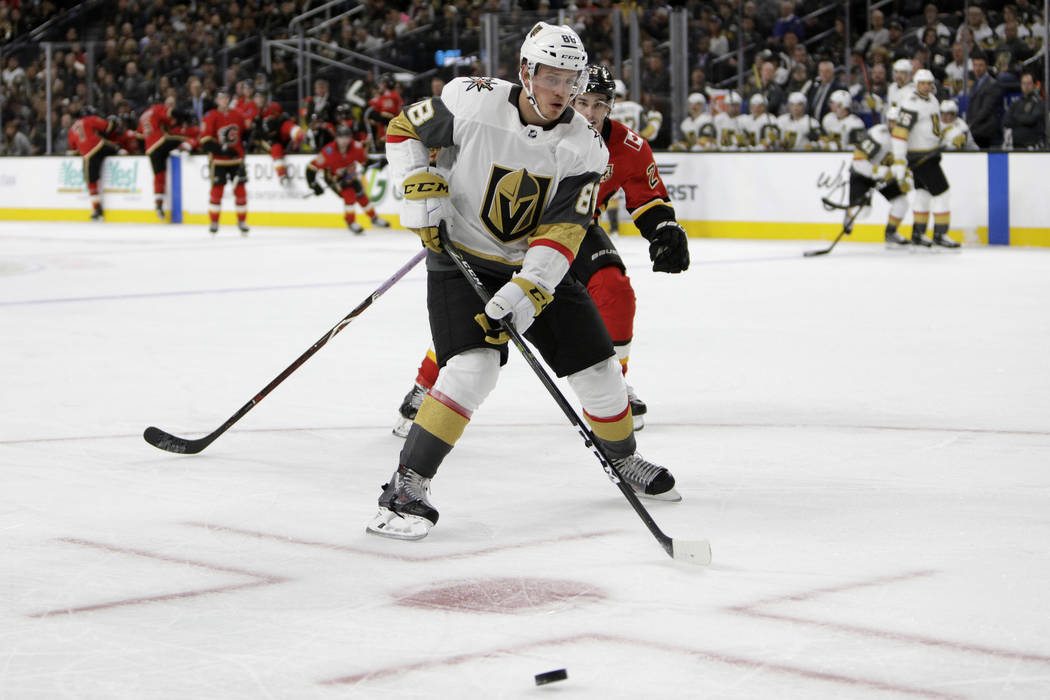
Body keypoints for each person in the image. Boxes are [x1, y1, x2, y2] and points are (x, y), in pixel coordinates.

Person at [368, 24, 681, 541]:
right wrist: (415, 187)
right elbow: (404, 129)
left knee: (601, 371)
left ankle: (623, 460)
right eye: (552, 76)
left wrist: (528, 290)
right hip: (461, 256)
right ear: (525, 72)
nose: (563, 91)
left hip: (530, 263)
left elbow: (563, 232)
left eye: (572, 79)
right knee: (474, 368)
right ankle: (405, 487)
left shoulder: (587, 148)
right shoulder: (470, 100)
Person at [392, 64, 690, 438]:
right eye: (583, 102)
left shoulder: (626, 146)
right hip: (505, 228)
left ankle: (615, 387)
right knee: (478, 311)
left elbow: (649, 199)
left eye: (601, 104)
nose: (591, 113)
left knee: (615, 290)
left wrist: (663, 229)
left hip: (571, 230)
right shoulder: (532, 125)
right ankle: (426, 385)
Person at [892, 69, 960, 249]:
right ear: (916, 85)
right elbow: (900, 132)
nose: (926, 87)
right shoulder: (911, 103)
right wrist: (899, 159)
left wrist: (950, 136)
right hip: (921, 157)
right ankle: (940, 234)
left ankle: (919, 233)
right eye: (922, 83)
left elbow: (932, 129)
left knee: (923, 194)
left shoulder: (932, 100)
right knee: (943, 192)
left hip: (931, 153)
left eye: (928, 83)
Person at [305, 124, 390, 233]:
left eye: (346, 137)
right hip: (334, 178)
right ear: (336, 138)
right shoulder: (328, 151)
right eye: (341, 137)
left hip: (350, 176)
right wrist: (314, 184)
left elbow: (366, 162)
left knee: (361, 194)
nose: (344, 141)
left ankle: (374, 218)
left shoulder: (356, 147)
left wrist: (379, 162)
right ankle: (350, 221)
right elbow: (311, 168)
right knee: (349, 195)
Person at [850, 105, 912, 249]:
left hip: (884, 176)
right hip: (863, 174)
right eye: (891, 121)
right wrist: (879, 171)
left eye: (897, 122)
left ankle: (891, 234)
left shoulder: (908, 139)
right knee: (862, 213)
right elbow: (858, 161)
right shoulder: (878, 135)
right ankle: (849, 213)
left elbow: (907, 164)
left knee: (901, 203)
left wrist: (907, 179)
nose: (894, 125)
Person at [199, 90, 251, 235]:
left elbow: (245, 133)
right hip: (219, 161)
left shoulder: (238, 114)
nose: (224, 100)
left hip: (237, 159)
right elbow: (206, 142)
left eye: (226, 97)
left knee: (240, 190)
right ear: (216, 100)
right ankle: (214, 221)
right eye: (221, 98)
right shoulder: (211, 116)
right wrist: (223, 151)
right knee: (217, 191)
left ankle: (242, 221)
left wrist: (250, 134)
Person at [139, 95, 193, 219]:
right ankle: (184, 148)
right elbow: (170, 113)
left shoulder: (143, 116)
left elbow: (140, 134)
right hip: (160, 141)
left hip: (150, 149)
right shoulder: (157, 109)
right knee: (189, 138)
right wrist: (184, 115)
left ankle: (159, 204)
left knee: (159, 175)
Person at [68, 108, 119, 221]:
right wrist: (114, 123)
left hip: (87, 155)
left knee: (91, 181)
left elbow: (73, 149)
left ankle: (97, 209)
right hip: (100, 147)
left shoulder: (72, 129)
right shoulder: (90, 119)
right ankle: (120, 151)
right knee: (116, 148)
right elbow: (108, 127)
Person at [966, 52, 1003, 148]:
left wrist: (970, 125)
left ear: (986, 66)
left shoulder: (993, 84)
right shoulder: (974, 85)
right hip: (976, 131)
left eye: (980, 65)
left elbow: (986, 110)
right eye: (975, 65)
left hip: (986, 133)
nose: (977, 68)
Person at [1003, 72, 1047, 149]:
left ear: (1034, 85)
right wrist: (1023, 117)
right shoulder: (1016, 103)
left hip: (1033, 146)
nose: (1026, 86)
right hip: (1015, 146)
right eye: (1023, 83)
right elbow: (1006, 121)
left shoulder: (1039, 101)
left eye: (1029, 83)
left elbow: (1031, 119)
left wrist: (1015, 117)